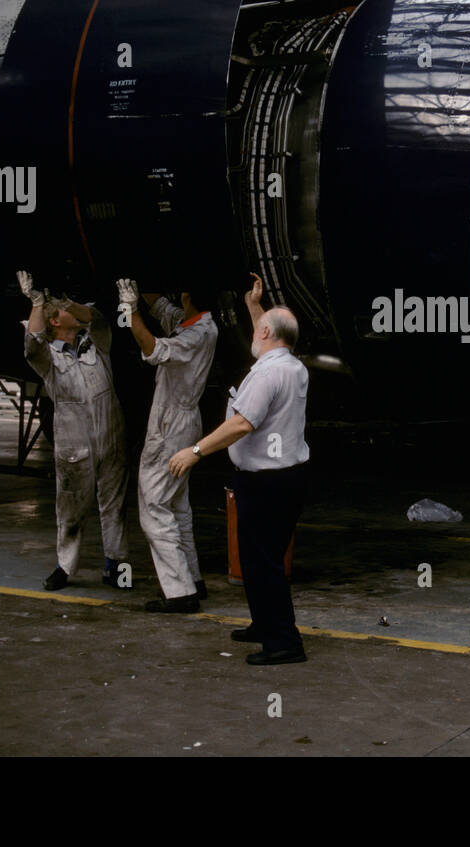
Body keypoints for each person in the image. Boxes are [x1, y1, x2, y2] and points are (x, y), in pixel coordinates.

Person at [170, 274, 309, 665]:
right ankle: (265, 624)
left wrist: (194, 451)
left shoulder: (266, 374)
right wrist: (254, 305)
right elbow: (268, 333)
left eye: (258, 324)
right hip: (286, 478)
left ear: (266, 331)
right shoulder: (291, 365)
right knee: (258, 557)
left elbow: (241, 424)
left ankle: (284, 643)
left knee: (263, 561)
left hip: (266, 482)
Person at [18, 270, 128, 592]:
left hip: (111, 437)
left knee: (114, 505)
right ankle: (65, 567)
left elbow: (95, 317)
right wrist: (38, 303)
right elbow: (31, 347)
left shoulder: (97, 344)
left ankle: (117, 566)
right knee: (71, 507)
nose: (76, 310)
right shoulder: (49, 359)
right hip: (74, 444)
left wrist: (67, 301)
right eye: (66, 310)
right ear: (55, 321)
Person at [117, 280, 217, 614]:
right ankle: (193, 579)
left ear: (187, 294)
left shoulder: (194, 335)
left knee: (154, 508)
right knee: (177, 505)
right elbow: (161, 306)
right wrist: (139, 285)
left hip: (170, 423)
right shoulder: (197, 323)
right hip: (185, 419)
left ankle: (179, 592)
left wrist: (129, 310)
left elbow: (154, 351)